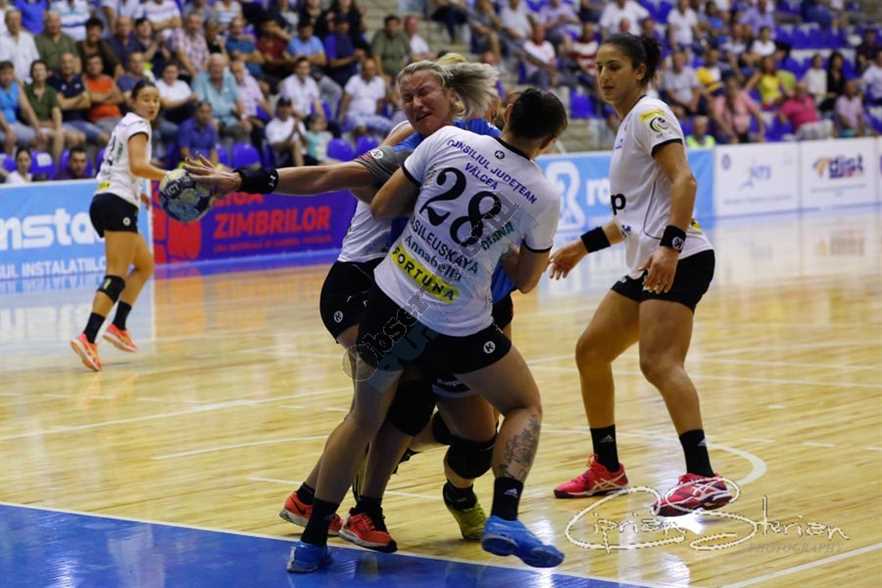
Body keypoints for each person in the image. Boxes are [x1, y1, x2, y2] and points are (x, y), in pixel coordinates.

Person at [186, 59, 511, 553]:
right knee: (386, 403)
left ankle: (313, 497)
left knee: (428, 411)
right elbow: (333, 176)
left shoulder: (479, 140)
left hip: (412, 291)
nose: (417, 103)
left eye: (426, 93)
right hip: (359, 285)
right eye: (409, 96)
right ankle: (354, 510)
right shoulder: (410, 143)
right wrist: (244, 180)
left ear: (455, 96)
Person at [283, 86, 567, 573]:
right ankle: (505, 513)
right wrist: (498, 243)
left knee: (363, 419)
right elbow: (526, 280)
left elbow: (382, 203)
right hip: (457, 323)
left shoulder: (449, 140)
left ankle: (312, 541)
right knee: (523, 405)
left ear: (505, 114)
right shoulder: (542, 194)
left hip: (392, 301)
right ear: (548, 142)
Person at [549, 33, 731, 517]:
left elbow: (684, 180)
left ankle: (703, 477)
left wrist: (670, 247)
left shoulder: (651, 115)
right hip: (649, 260)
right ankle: (607, 467)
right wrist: (581, 247)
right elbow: (630, 221)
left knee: (659, 363)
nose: (604, 76)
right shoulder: (629, 123)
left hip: (680, 257)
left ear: (640, 71)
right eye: (599, 67)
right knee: (591, 351)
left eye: (614, 66)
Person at [70, 80, 167, 371]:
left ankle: (119, 326)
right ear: (133, 101)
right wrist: (170, 175)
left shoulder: (125, 123)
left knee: (145, 265)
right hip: (116, 202)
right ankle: (88, 337)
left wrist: (139, 194)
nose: (152, 104)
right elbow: (138, 166)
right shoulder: (139, 125)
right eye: (146, 98)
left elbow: (123, 167)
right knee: (116, 275)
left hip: (109, 198)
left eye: (156, 99)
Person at [339, 56, 392, 135]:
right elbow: (346, 99)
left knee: (390, 126)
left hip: (371, 116)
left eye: (373, 69)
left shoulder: (379, 81)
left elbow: (380, 102)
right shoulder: (354, 80)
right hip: (354, 115)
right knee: (361, 127)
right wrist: (342, 116)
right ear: (363, 70)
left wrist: (388, 87)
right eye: (369, 69)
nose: (371, 72)